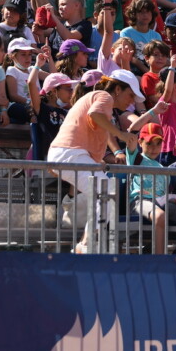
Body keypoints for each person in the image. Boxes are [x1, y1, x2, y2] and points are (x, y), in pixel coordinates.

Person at [47, 69, 144, 253]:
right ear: (117, 89)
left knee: (105, 192)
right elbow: (95, 115)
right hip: (70, 155)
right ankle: (86, 244)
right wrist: (121, 134)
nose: (132, 101)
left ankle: (85, 244)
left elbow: (95, 126)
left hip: (69, 155)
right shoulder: (104, 97)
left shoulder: (100, 102)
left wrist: (96, 162)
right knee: (107, 191)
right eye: (130, 95)